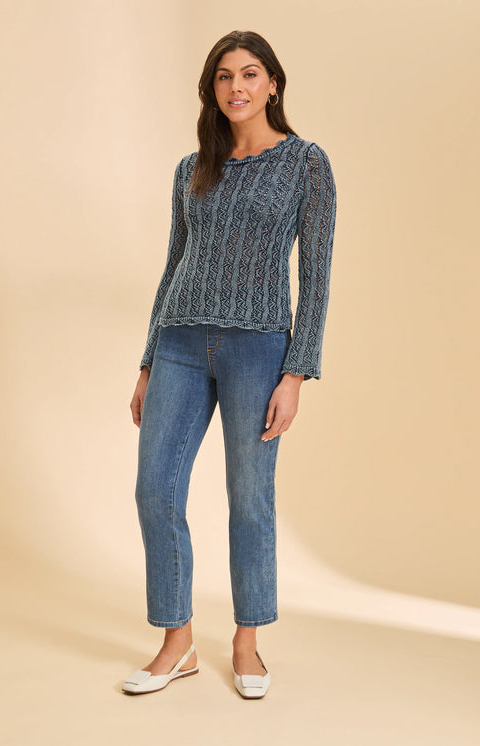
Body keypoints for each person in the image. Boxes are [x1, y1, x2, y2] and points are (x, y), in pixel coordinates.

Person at [123, 29, 337, 699]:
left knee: (249, 499)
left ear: (272, 83)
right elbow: (173, 266)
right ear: (211, 89)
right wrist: (148, 362)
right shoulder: (192, 168)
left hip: (258, 350)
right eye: (223, 76)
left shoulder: (305, 163)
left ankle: (247, 642)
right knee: (155, 490)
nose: (236, 86)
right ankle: (178, 642)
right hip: (179, 344)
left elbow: (316, 275)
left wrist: (296, 373)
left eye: (248, 74)